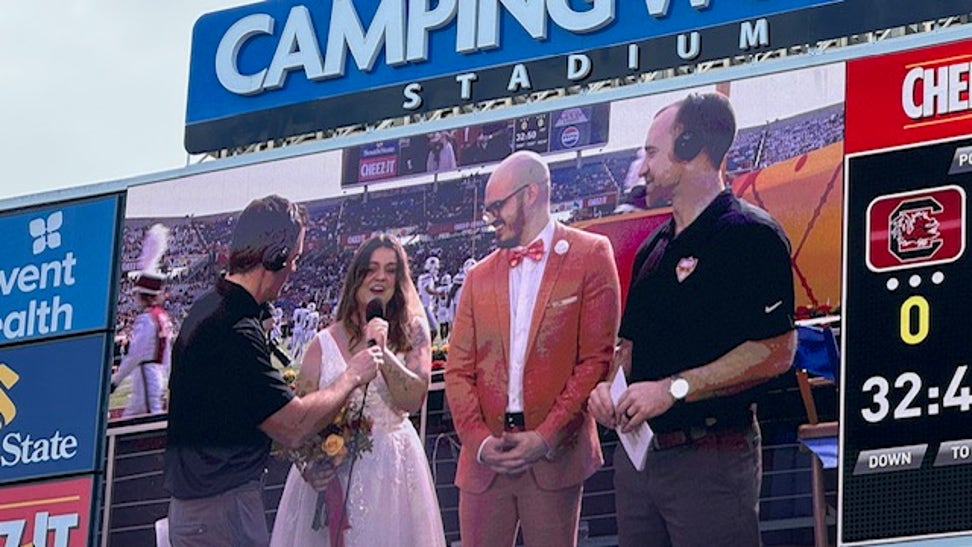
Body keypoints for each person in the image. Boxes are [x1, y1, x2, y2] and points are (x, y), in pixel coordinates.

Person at [588, 92, 798, 547]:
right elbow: (630, 350)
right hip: (639, 462)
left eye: (650, 152)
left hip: (711, 460)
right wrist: (607, 390)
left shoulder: (752, 236)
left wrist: (673, 389)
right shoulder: (653, 248)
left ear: (689, 148)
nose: (642, 167)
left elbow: (777, 351)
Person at [164, 195, 383, 547]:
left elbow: (253, 415)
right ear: (276, 256)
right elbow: (292, 424)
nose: (294, 268)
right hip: (222, 509)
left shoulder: (210, 310)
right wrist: (353, 375)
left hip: (204, 508)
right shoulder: (233, 327)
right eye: (294, 257)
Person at [445, 150, 621, 546]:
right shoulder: (478, 276)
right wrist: (480, 441)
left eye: (497, 206)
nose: (489, 218)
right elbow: (457, 371)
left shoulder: (591, 254)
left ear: (531, 194)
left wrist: (545, 437)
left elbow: (595, 361)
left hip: (553, 458)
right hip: (485, 462)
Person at [270, 234, 445, 546]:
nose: (380, 277)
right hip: (334, 476)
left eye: (391, 270)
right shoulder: (322, 343)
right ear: (357, 276)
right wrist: (309, 466)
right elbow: (299, 418)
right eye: (372, 268)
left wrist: (382, 351)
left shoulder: (414, 332)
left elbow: (414, 398)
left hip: (394, 473)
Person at [111, 224, 172, 418]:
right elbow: (167, 355)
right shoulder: (162, 317)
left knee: (139, 423)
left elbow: (135, 354)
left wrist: (116, 380)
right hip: (157, 375)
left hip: (145, 376)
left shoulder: (146, 319)